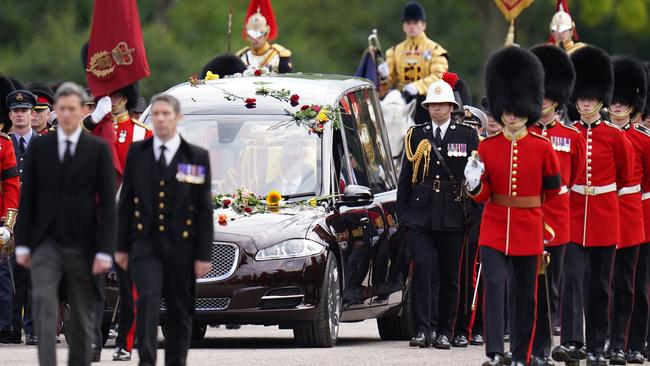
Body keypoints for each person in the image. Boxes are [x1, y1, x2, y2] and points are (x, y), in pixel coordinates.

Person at [466, 46, 561, 366]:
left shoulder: (543, 148)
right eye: (506, 108)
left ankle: (522, 354)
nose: (510, 114)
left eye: (516, 108)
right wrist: (474, 183)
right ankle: (495, 352)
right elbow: (483, 195)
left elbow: (552, 189)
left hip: (529, 228)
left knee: (526, 296)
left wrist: (533, 213)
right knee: (494, 287)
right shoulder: (488, 147)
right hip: (494, 228)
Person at [14, 82, 116, 366]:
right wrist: (23, 244)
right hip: (45, 243)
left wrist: (105, 250)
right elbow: (29, 198)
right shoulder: (41, 147)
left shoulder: (97, 149)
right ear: (55, 112)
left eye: (73, 109)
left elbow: (108, 205)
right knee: (46, 309)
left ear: (84, 111)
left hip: (83, 245)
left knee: (82, 316)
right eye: (63, 109)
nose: (68, 114)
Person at [114, 94, 213, 366]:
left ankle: (175, 361)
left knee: (180, 309)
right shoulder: (138, 153)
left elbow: (204, 209)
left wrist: (204, 254)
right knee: (146, 301)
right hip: (145, 244)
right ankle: (146, 360)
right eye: (155, 114)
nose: (160, 119)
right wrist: (121, 247)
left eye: (165, 114)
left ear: (178, 118)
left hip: (182, 246)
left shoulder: (195, 156)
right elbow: (125, 203)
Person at [551, 45, 631, 366]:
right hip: (573, 216)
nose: (585, 103)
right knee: (571, 279)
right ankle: (573, 342)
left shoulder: (615, 136)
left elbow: (624, 177)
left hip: (604, 217)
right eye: (581, 98)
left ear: (600, 100)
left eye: (590, 99)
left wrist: (601, 193)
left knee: (600, 285)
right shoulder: (568, 134)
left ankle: (598, 346)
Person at [396, 79, 478, 348]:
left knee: (450, 275)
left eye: (442, 104)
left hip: (453, 211)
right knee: (422, 268)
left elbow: (474, 177)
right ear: (427, 106)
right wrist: (404, 214)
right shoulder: (416, 135)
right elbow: (405, 179)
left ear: (451, 106)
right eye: (433, 104)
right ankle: (423, 328)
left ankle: (445, 330)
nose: (437, 109)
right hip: (421, 211)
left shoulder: (467, 135)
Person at [527, 44, 586, 366]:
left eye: (548, 97)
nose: (544, 101)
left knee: (556, 286)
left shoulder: (571, 136)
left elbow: (572, 177)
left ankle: (558, 344)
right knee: (533, 287)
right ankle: (535, 348)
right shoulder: (527, 134)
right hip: (528, 214)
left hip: (558, 219)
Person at [606, 56, 649, 365]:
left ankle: (634, 343)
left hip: (638, 217)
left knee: (634, 285)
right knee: (606, 284)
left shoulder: (643, 141)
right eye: (614, 100)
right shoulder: (602, 135)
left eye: (623, 101)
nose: (618, 106)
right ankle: (611, 341)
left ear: (633, 105)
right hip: (605, 217)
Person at [378, 1, 449, 124]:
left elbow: (439, 76)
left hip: (427, 102)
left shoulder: (435, 50)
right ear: (404, 26)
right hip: (401, 101)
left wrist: (417, 87)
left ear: (423, 25)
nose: (412, 26)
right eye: (408, 23)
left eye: (415, 23)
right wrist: (384, 77)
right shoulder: (394, 51)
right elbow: (389, 84)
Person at [6, 89, 40, 346]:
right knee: (11, 273)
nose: (20, 115)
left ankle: (33, 328)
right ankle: (12, 325)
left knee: (35, 275)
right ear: (10, 115)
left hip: (38, 218)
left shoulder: (45, 143)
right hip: (10, 219)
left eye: (25, 111)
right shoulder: (4, 143)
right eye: (16, 111)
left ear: (32, 114)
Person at [452, 105, 487, 348]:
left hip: (479, 216)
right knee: (458, 275)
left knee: (479, 275)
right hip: (457, 216)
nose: (466, 129)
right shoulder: (454, 146)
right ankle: (456, 325)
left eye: (471, 126)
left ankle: (478, 326)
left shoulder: (484, 149)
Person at [0, 79, 23, 345]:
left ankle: (4, 324)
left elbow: (11, 184)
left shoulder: (3, 144)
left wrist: (8, 223)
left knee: (3, 275)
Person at [236, 3, 292, 73]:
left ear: (266, 34)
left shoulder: (279, 55)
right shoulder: (241, 56)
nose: (256, 39)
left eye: (260, 34)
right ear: (248, 35)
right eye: (252, 35)